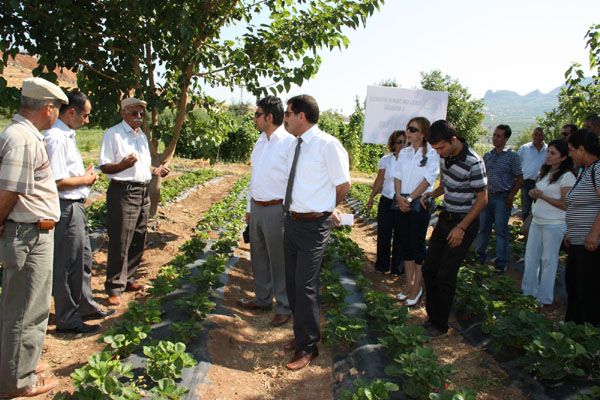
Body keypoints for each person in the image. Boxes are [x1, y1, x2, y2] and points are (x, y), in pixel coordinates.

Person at [0, 77, 67, 397]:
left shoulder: (24, 135)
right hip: (28, 234)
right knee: (27, 310)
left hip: (30, 231)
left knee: (23, 306)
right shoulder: (23, 139)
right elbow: (9, 190)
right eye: (57, 108)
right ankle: (17, 381)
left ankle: (19, 364)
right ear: (48, 108)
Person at [281, 94, 350, 370]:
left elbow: (343, 185)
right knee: (292, 283)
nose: (285, 118)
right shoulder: (294, 146)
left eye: (288, 113)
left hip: (314, 226)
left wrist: (325, 209)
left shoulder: (328, 145)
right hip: (293, 221)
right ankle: (301, 336)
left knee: (306, 285)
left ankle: (309, 347)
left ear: (301, 116)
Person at [44, 90, 115, 335]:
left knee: (83, 259)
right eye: (85, 116)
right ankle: (67, 318)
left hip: (77, 206)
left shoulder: (67, 135)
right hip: (65, 208)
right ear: (71, 112)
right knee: (67, 264)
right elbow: (56, 181)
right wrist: (85, 179)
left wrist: (83, 177)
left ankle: (84, 305)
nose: (87, 121)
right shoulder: (55, 138)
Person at [420, 120, 488, 337]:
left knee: (445, 274)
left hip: (463, 222)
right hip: (445, 219)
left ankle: (440, 325)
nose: (438, 153)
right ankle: (433, 317)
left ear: (454, 140)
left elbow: (482, 199)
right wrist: (432, 194)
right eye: (435, 149)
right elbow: (446, 184)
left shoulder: (474, 161)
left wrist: (461, 228)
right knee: (429, 268)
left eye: (441, 147)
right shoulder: (446, 157)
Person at [99, 98, 170, 306]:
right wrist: (121, 165)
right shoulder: (113, 134)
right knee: (120, 240)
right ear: (123, 113)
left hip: (142, 192)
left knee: (139, 237)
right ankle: (114, 287)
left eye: (141, 114)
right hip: (123, 192)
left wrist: (156, 171)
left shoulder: (141, 137)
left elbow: (143, 167)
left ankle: (128, 279)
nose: (139, 117)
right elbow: (104, 166)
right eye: (134, 113)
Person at [238, 96, 295, 327]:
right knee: (258, 256)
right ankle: (262, 299)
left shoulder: (288, 144)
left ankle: (284, 306)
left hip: (276, 209)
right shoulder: (260, 141)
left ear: (269, 117)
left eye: (257, 114)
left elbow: (293, 180)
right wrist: (249, 209)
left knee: (279, 260)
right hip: (258, 207)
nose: (254, 118)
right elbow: (255, 176)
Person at [521, 139, 575, 306]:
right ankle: (528, 293)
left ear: (563, 157)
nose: (549, 155)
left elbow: (566, 205)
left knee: (548, 261)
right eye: (548, 152)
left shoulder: (567, 177)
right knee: (531, 258)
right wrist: (534, 195)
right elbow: (539, 199)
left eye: (553, 153)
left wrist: (542, 195)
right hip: (537, 221)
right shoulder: (545, 172)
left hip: (554, 224)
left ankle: (544, 298)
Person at [393, 118, 439, 306]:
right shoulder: (403, 153)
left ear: (423, 133)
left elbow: (428, 180)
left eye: (413, 129)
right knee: (405, 243)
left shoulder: (432, 153)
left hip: (418, 202)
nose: (408, 132)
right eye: (407, 128)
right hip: (401, 200)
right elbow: (397, 176)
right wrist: (398, 197)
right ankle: (408, 284)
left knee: (417, 244)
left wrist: (410, 199)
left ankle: (417, 287)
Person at [475, 124, 523, 272]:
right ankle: (479, 258)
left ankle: (501, 262)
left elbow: (520, 178)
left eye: (499, 136)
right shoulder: (487, 156)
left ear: (506, 138)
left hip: (502, 198)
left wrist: (510, 196)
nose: (495, 138)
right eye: (494, 135)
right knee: (483, 228)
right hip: (487, 197)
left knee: (501, 231)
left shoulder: (512, 156)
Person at [564, 130, 600, 326]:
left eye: (571, 150)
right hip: (579, 243)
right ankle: (573, 330)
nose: (569, 154)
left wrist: (594, 234)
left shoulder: (598, 169)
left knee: (588, 292)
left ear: (582, 149)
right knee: (575, 287)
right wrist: (571, 232)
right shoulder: (586, 170)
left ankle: (588, 337)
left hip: (591, 246)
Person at [366, 130, 406, 275]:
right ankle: (382, 266)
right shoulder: (385, 160)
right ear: (393, 144)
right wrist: (371, 197)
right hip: (387, 200)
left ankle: (397, 268)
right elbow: (380, 179)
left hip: (402, 202)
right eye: (398, 142)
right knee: (384, 233)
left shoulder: (410, 161)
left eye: (404, 142)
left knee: (400, 236)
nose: (401, 145)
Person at [519, 127, 547, 222]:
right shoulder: (524, 148)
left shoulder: (548, 150)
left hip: (542, 183)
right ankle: (525, 232)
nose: (538, 136)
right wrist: (519, 180)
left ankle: (537, 229)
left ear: (544, 136)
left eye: (540, 134)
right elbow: (517, 165)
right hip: (526, 182)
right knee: (525, 209)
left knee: (541, 208)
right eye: (536, 134)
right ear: (532, 135)